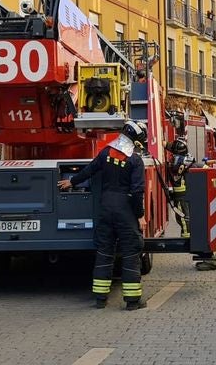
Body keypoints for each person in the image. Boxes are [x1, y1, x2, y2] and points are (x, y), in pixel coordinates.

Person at [57, 121, 149, 310]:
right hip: (125, 211)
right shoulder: (135, 160)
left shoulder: (106, 153)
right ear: (136, 139)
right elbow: (137, 191)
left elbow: (90, 170)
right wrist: (140, 215)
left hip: (106, 208)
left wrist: (71, 182)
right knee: (131, 252)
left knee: (104, 252)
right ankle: (132, 301)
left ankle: (100, 299)